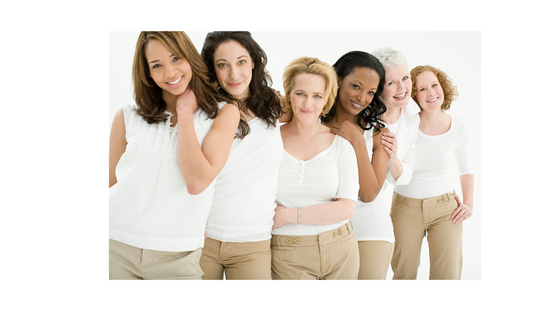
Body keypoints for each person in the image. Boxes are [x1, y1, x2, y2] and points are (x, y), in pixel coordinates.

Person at [109, 31, 240, 280]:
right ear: (148, 73)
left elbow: (197, 182)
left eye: (176, 59)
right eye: (157, 65)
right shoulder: (127, 117)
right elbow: (108, 181)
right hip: (116, 243)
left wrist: (185, 111)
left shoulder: (223, 113)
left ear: (190, 57)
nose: (170, 72)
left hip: (178, 253)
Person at [199, 31, 287, 280]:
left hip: (253, 241)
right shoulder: (203, 111)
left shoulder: (273, 106)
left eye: (241, 62)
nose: (234, 74)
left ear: (253, 62)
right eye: (222, 65)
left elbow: (312, 111)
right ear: (212, 70)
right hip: (202, 237)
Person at [271, 56, 360, 280]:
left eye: (317, 96)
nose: (308, 104)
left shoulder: (341, 145)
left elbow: (346, 209)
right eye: (301, 93)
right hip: (287, 253)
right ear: (289, 94)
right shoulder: (269, 141)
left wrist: (289, 215)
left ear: (326, 100)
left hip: (341, 248)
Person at [390, 65, 474, 280]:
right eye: (422, 89)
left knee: (447, 276)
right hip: (405, 208)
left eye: (434, 85)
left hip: (446, 210)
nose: (431, 93)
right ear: (414, 96)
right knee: (404, 274)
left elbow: (466, 170)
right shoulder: (406, 124)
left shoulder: (458, 127)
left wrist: (469, 204)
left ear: (442, 86)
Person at [320, 51, 392, 279]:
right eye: (356, 86)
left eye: (371, 92)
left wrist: (358, 141)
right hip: (320, 233)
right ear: (338, 80)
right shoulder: (312, 122)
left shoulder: (379, 134)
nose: (363, 98)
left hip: (369, 234)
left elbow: (369, 193)